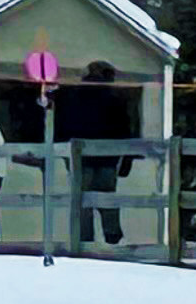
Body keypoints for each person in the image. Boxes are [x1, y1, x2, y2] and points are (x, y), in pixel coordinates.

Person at [57, 60, 140, 246]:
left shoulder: (74, 97)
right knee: (107, 201)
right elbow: (125, 131)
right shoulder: (115, 100)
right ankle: (112, 239)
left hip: (82, 160)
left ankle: (85, 240)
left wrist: (66, 155)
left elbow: (63, 128)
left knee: (83, 203)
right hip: (106, 161)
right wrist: (127, 160)